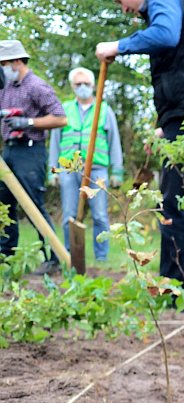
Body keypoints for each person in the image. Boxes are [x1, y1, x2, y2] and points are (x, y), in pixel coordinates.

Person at [97, 0, 184, 311]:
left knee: (175, 206)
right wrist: (166, 126)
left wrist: (118, 46)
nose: (123, 8)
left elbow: (164, 35)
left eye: (121, 1)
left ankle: (172, 297)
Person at [0, 40, 67, 273]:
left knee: (33, 206)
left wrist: (28, 122)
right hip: (8, 150)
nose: (2, 69)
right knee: (4, 206)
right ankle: (5, 256)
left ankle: (53, 258)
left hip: (30, 150)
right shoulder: (4, 88)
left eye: (3, 64)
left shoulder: (37, 86)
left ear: (17, 62)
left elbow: (60, 118)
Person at [48, 67, 125, 263]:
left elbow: (114, 141)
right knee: (69, 216)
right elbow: (55, 142)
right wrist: (52, 171)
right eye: (78, 84)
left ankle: (101, 258)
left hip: (97, 171)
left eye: (86, 84)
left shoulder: (104, 110)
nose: (82, 87)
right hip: (69, 170)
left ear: (93, 86)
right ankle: (69, 255)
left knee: (99, 216)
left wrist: (117, 171)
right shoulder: (64, 109)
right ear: (73, 87)